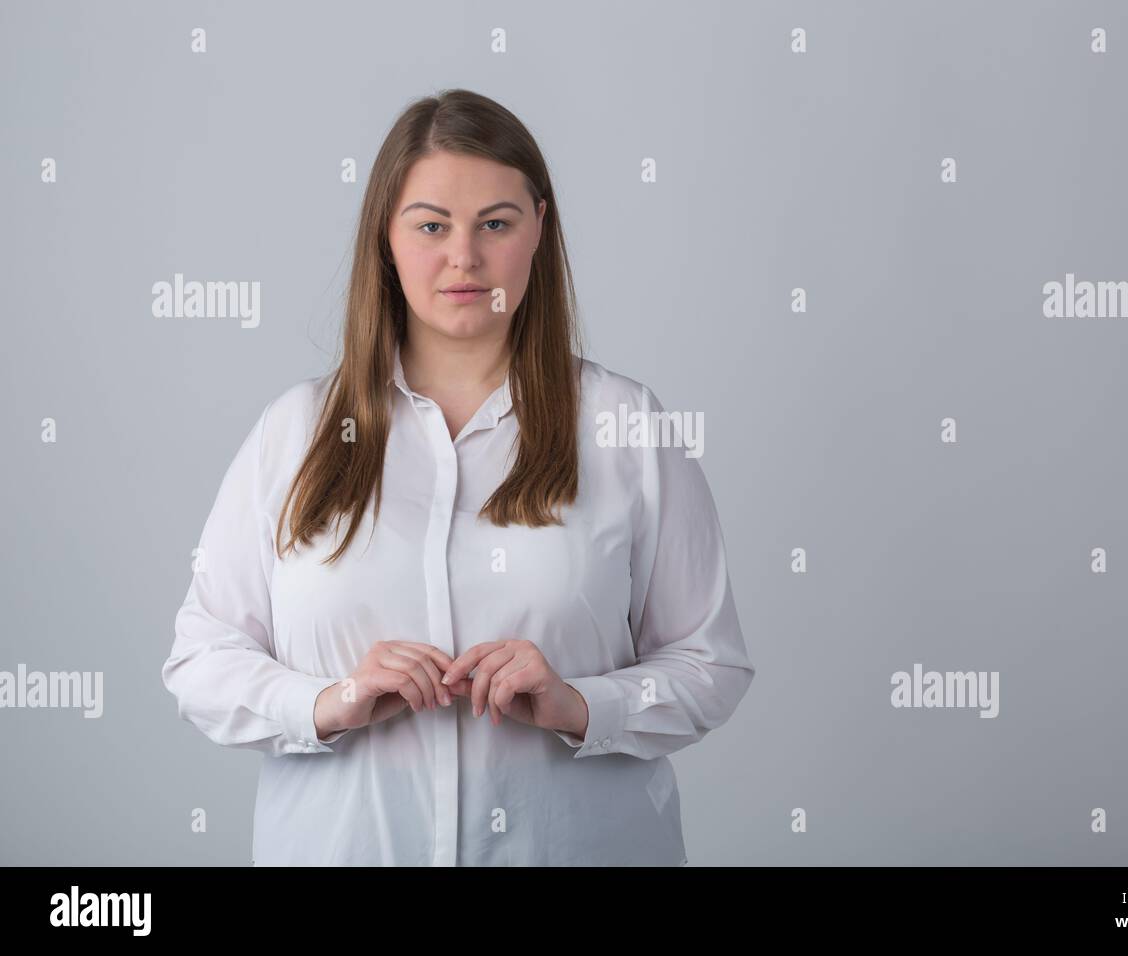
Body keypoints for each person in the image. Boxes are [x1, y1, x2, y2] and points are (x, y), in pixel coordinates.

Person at [161, 89, 755, 866]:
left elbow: (711, 664)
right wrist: (328, 703)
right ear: (387, 235)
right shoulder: (295, 432)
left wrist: (580, 705)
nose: (464, 257)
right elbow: (201, 660)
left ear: (540, 226)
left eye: (496, 224)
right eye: (432, 225)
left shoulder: (627, 425)